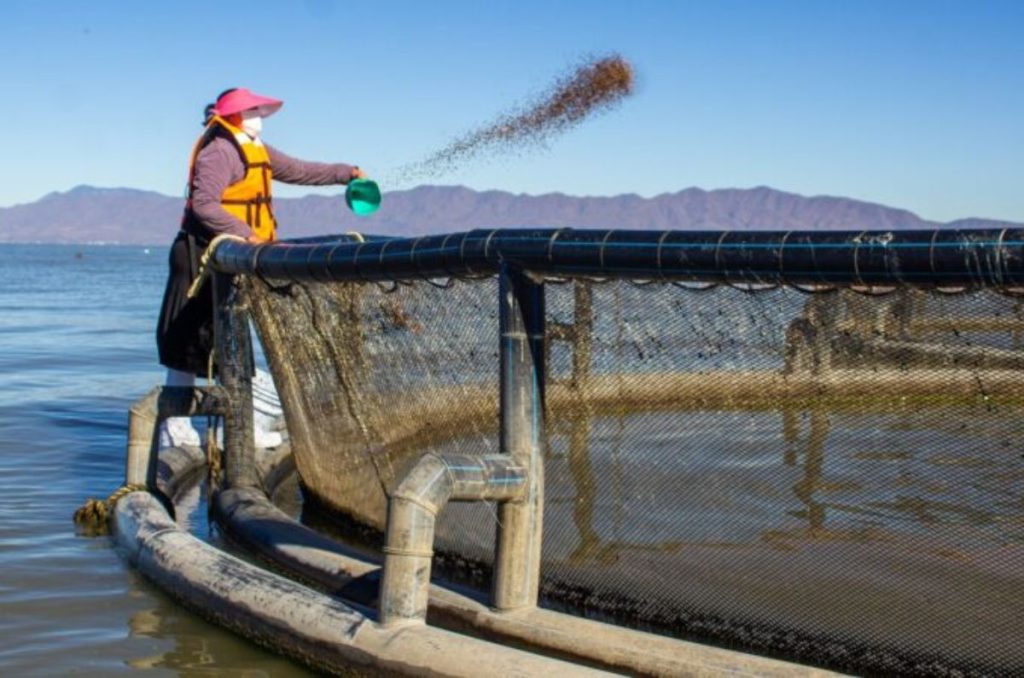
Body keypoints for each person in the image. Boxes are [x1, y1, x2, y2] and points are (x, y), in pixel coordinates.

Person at [155, 87, 365, 448]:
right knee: (188, 338)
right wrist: (247, 235)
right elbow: (204, 206)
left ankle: (229, 429)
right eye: (251, 112)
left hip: (231, 254)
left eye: (258, 112)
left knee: (229, 337)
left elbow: (299, 170)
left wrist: (345, 173)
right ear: (233, 116)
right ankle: (176, 427)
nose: (258, 119)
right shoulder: (220, 151)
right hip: (201, 253)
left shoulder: (255, 149)